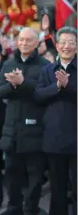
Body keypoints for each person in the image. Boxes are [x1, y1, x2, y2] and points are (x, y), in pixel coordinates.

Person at [0, 27, 50, 215]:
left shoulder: (45, 65)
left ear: (37, 43)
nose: (24, 43)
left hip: (35, 128)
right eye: (21, 40)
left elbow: (44, 93)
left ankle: (31, 208)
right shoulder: (8, 64)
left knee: (35, 174)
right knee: (11, 172)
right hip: (12, 129)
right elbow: (0, 91)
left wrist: (23, 83)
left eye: (28, 40)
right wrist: (12, 84)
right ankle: (13, 208)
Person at [34, 26, 77, 215]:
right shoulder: (47, 70)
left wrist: (67, 87)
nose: (67, 46)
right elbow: (38, 95)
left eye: (71, 42)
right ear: (57, 45)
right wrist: (57, 86)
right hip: (54, 137)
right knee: (57, 187)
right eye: (63, 42)